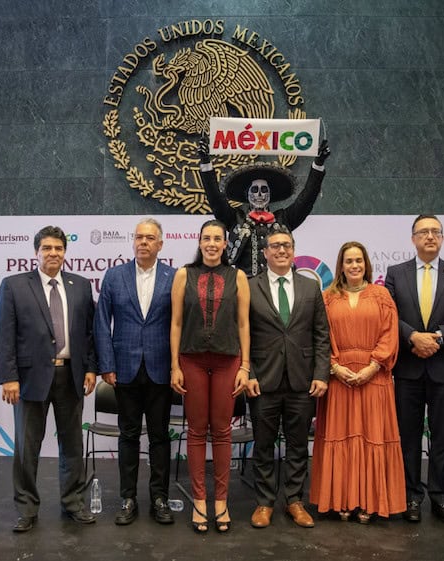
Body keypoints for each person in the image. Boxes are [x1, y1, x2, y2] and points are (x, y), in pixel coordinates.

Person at [0, 225, 98, 532]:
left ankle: (73, 504)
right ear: (36, 252)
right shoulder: (14, 285)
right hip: (29, 379)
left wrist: (91, 368)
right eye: (47, 248)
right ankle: (26, 508)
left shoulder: (81, 285)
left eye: (59, 248)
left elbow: (89, 334)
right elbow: (4, 334)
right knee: (27, 448)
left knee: (72, 446)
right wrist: (8, 377)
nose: (53, 253)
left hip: (72, 376)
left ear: (66, 252)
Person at [384, 215, 444, 526]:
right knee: (408, 437)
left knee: (442, 437)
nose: (429, 237)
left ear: (442, 238)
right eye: (423, 232)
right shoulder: (396, 273)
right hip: (408, 369)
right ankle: (410, 497)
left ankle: (442, 498)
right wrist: (412, 336)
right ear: (413, 238)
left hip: (443, 366)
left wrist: (438, 337)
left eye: (435, 232)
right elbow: (389, 314)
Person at [309, 241, 406, 523]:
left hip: (374, 378)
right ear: (340, 265)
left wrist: (373, 366)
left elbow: (390, 334)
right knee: (341, 438)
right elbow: (319, 336)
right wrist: (335, 368)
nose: (354, 266)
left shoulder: (381, 295)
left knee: (371, 437)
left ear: (366, 264)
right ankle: (342, 499)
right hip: (339, 379)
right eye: (349, 261)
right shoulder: (327, 297)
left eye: (358, 261)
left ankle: (370, 502)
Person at [94, 218, 177, 526]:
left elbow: (179, 324)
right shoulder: (114, 276)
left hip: (160, 371)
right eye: (139, 237)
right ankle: (128, 498)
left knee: (159, 437)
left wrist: (176, 366)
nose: (143, 242)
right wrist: (107, 365)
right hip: (124, 370)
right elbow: (102, 323)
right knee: (128, 436)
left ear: (160, 244)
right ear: (133, 242)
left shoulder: (174, 276)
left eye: (150, 238)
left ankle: (160, 498)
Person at [170, 219, 250, 533]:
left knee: (222, 432)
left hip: (228, 361)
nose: (212, 244)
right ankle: (200, 501)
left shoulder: (238, 276)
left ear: (225, 243)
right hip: (191, 360)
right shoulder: (183, 275)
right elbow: (176, 323)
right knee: (195, 431)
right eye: (207, 238)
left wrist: (245, 366)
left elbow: (244, 324)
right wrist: (175, 365)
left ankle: (221, 501)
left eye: (218, 238)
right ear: (199, 241)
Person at [245, 230, 330, 529]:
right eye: (275, 246)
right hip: (262, 381)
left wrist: (321, 374)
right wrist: (249, 374)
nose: (281, 250)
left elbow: (321, 335)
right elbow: (243, 335)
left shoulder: (310, 287)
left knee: (296, 445)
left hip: (302, 380)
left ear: (294, 251)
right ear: (265, 252)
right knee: (264, 444)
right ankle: (264, 503)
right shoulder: (249, 286)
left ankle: (295, 501)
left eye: (287, 245)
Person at [199, 137, 331, 277]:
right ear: (247, 195)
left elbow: (307, 198)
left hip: (278, 287)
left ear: (270, 195)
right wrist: (205, 162)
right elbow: (215, 198)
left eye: (264, 190)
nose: (260, 194)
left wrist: (318, 164)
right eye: (255, 190)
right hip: (246, 290)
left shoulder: (283, 219)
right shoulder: (235, 219)